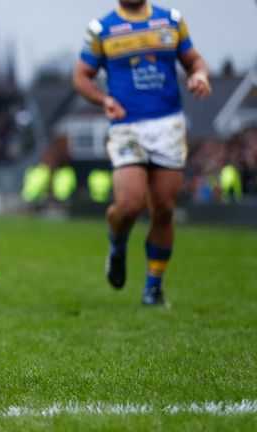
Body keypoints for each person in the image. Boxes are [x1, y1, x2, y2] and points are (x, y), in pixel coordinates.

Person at [72, 0, 211, 306]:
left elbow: (195, 60)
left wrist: (199, 75)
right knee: (130, 204)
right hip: (127, 126)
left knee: (163, 208)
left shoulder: (171, 21)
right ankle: (117, 245)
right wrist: (103, 99)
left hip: (169, 125)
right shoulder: (102, 29)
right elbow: (81, 77)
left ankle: (153, 289)